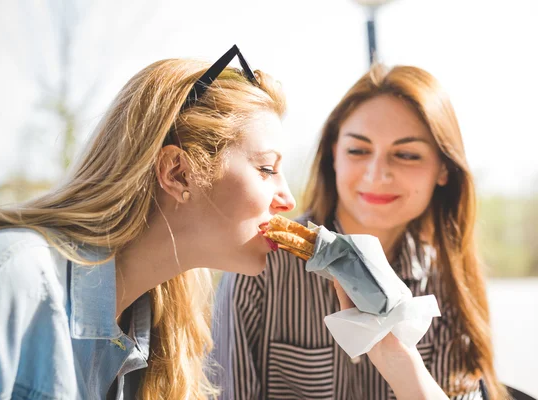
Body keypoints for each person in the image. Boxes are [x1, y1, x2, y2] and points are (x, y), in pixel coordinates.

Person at [0, 45, 296, 400]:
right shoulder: (4, 284)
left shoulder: (162, 336)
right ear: (178, 173)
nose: (289, 200)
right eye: (267, 169)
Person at [211, 63, 507, 399]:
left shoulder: (447, 284)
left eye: (407, 154)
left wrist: (398, 358)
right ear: (333, 155)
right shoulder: (261, 265)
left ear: (443, 169)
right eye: (358, 150)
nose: (377, 173)